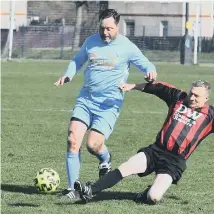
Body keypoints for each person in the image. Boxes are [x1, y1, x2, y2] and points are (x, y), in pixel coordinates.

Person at [73, 80, 214, 204]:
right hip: (156, 151)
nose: (192, 98)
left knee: (154, 197)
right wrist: (134, 86)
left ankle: (143, 195)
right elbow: (157, 88)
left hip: (174, 162)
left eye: (197, 96)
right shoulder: (178, 98)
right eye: (191, 93)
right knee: (126, 167)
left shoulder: (211, 116)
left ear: (206, 98)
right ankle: (90, 189)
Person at [54, 9, 157, 199]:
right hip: (86, 99)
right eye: (102, 28)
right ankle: (72, 190)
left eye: (109, 28)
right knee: (72, 140)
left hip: (109, 104)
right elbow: (77, 61)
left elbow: (146, 64)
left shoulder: (127, 46)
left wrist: (151, 72)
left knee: (93, 145)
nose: (105, 32)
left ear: (118, 26)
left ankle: (105, 158)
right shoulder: (91, 41)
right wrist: (68, 75)